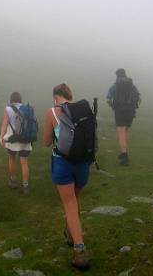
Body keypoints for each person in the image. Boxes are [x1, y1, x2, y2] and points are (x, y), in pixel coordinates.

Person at [44, 83, 91, 270]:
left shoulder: (52, 112)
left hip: (63, 163)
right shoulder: (84, 110)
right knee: (74, 200)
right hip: (83, 163)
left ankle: (80, 250)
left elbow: (47, 142)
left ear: (56, 97)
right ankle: (73, 235)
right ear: (70, 96)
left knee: (70, 204)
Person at [0, 92, 32, 194]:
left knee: (12, 159)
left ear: (11, 99)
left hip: (12, 139)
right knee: (24, 162)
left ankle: (13, 181)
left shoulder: (8, 109)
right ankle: (25, 185)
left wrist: (1, 136)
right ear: (20, 99)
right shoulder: (27, 108)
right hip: (25, 138)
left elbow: (5, 123)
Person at [106, 68, 140, 166]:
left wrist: (113, 106)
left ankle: (124, 155)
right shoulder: (132, 85)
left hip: (120, 111)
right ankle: (124, 152)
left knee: (121, 132)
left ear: (117, 75)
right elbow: (138, 98)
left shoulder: (115, 86)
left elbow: (108, 99)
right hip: (131, 112)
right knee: (125, 131)